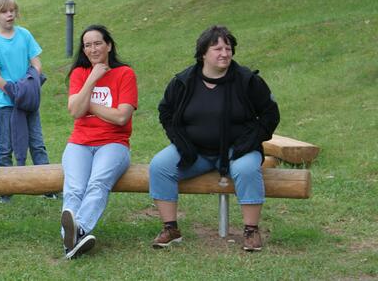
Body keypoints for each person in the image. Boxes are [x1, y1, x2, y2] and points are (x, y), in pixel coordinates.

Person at [149, 25, 280, 252]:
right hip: (194, 152)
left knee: (247, 169)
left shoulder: (247, 80)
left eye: (228, 48)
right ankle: (170, 228)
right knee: (159, 166)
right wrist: (181, 142)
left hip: (237, 150)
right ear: (203, 53)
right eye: (217, 49)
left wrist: (249, 142)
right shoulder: (183, 81)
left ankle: (251, 231)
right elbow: (166, 111)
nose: (224, 53)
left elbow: (270, 114)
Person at [60, 25, 138, 259]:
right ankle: (73, 240)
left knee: (98, 183)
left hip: (113, 143)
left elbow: (121, 117)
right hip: (79, 143)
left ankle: (78, 230)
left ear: (109, 45)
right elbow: (75, 112)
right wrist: (93, 78)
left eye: (97, 43)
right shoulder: (80, 73)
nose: (93, 49)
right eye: (87, 45)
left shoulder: (125, 73)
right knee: (74, 189)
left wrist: (88, 105)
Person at [0, 0, 55, 203]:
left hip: (28, 102)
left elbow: (36, 63)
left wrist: (29, 84)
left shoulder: (24, 35)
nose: (10, 14)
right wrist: (14, 91)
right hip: (5, 104)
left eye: (12, 10)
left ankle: (47, 186)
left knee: (37, 143)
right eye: (4, 11)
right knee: (5, 147)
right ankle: (5, 191)